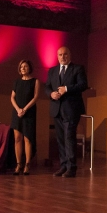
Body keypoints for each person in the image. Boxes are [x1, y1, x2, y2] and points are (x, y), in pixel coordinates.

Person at [45, 47, 88, 178]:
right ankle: (63, 166)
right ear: (57, 56)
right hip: (56, 108)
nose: (62, 57)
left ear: (70, 55)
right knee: (61, 139)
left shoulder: (78, 69)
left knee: (69, 137)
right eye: (60, 55)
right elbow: (47, 87)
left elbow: (83, 85)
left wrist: (67, 89)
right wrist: (51, 94)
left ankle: (72, 168)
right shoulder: (52, 71)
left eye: (65, 54)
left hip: (71, 109)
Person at [10, 59, 40, 175]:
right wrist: (18, 109)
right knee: (17, 138)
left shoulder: (35, 81)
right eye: (21, 67)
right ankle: (18, 164)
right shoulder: (16, 82)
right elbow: (12, 97)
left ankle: (27, 164)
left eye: (25, 66)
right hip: (17, 112)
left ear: (29, 68)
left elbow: (36, 97)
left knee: (28, 138)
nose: (23, 68)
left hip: (29, 112)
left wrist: (25, 109)